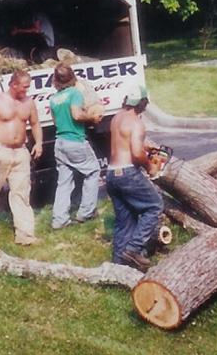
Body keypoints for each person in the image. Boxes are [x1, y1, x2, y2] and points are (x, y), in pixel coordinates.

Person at [0, 69, 43, 244]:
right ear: (13, 84)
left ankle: (25, 235)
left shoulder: (29, 103)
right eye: (24, 87)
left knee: (21, 193)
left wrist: (39, 143)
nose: (26, 90)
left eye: (28, 87)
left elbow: (35, 123)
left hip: (20, 152)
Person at [106, 85, 163, 272]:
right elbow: (137, 153)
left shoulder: (117, 118)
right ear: (142, 104)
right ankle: (134, 249)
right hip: (127, 173)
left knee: (125, 220)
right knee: (154, 205)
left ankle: (118, 267)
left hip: (112, 173)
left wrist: (147, 149)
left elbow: (126, 142)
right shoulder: (136, 122)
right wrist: (151, 167)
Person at [49, 62, 102, 229]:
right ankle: (86, 213)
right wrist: (91, 118)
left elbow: (55, 121)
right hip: (75, 140)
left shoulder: (54, 99)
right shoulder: (75, 93)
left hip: (60, 143)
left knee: (64, 182)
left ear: (56, 80)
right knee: (93, 171)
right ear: (72, 77)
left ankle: (60, 220)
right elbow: (77, 115)